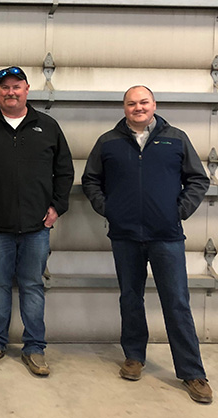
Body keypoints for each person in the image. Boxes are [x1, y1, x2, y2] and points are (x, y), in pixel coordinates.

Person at [81, 85, 213, 403]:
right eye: (131, 103)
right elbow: (90, 180)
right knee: (130, 298)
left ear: (154, 104)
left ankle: (192, 372)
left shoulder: (176, 138)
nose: (138, 108)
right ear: (124, 107)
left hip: (166, 236)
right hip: (125, 236)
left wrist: (177, 211)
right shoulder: (108, 142)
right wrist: (110, 209)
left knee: (177, 302)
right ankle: (134, 357)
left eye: (143, 102)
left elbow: (198, 179)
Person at [0, 66, 74, 375]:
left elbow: (64, 170)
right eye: (5, 87)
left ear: (27, 89)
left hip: (37, 228)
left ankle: (34, 348)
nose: (11, 92)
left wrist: (57, 207)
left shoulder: (47, 127)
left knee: (32, 286)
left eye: (16, 86)